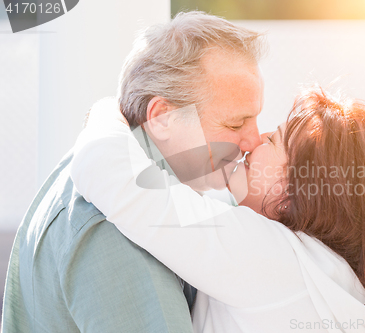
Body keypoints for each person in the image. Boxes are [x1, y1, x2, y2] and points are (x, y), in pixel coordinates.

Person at [69, 86, 365, 333]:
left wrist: (107, 107)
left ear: (305, 191)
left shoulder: (273, 261)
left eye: (277, 140)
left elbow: (109, 172)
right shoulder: (335, 287)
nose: (258, 137)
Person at [1, 11, 265, 332]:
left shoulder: (126, 180)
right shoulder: (118, 232)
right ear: (162, 118)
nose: (254, 140)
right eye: (235, 123)